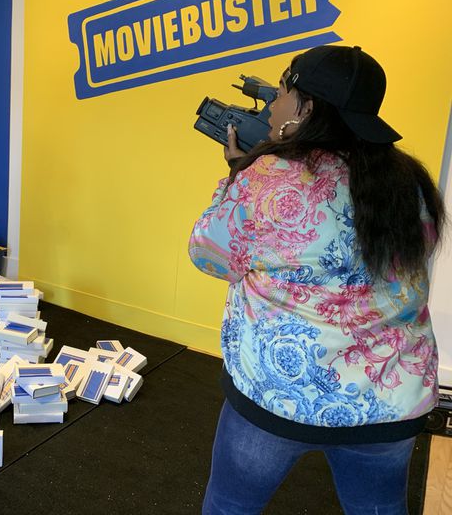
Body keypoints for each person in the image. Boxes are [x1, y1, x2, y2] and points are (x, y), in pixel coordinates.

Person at [189, 45, 445, 514]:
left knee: (229, 508)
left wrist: (236, 177)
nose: (270, 105)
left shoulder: (264, 176)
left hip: (277, 398)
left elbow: (209, 257)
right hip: (389, 403)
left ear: (306, 106)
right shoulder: (407, 180)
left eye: (282, 91)